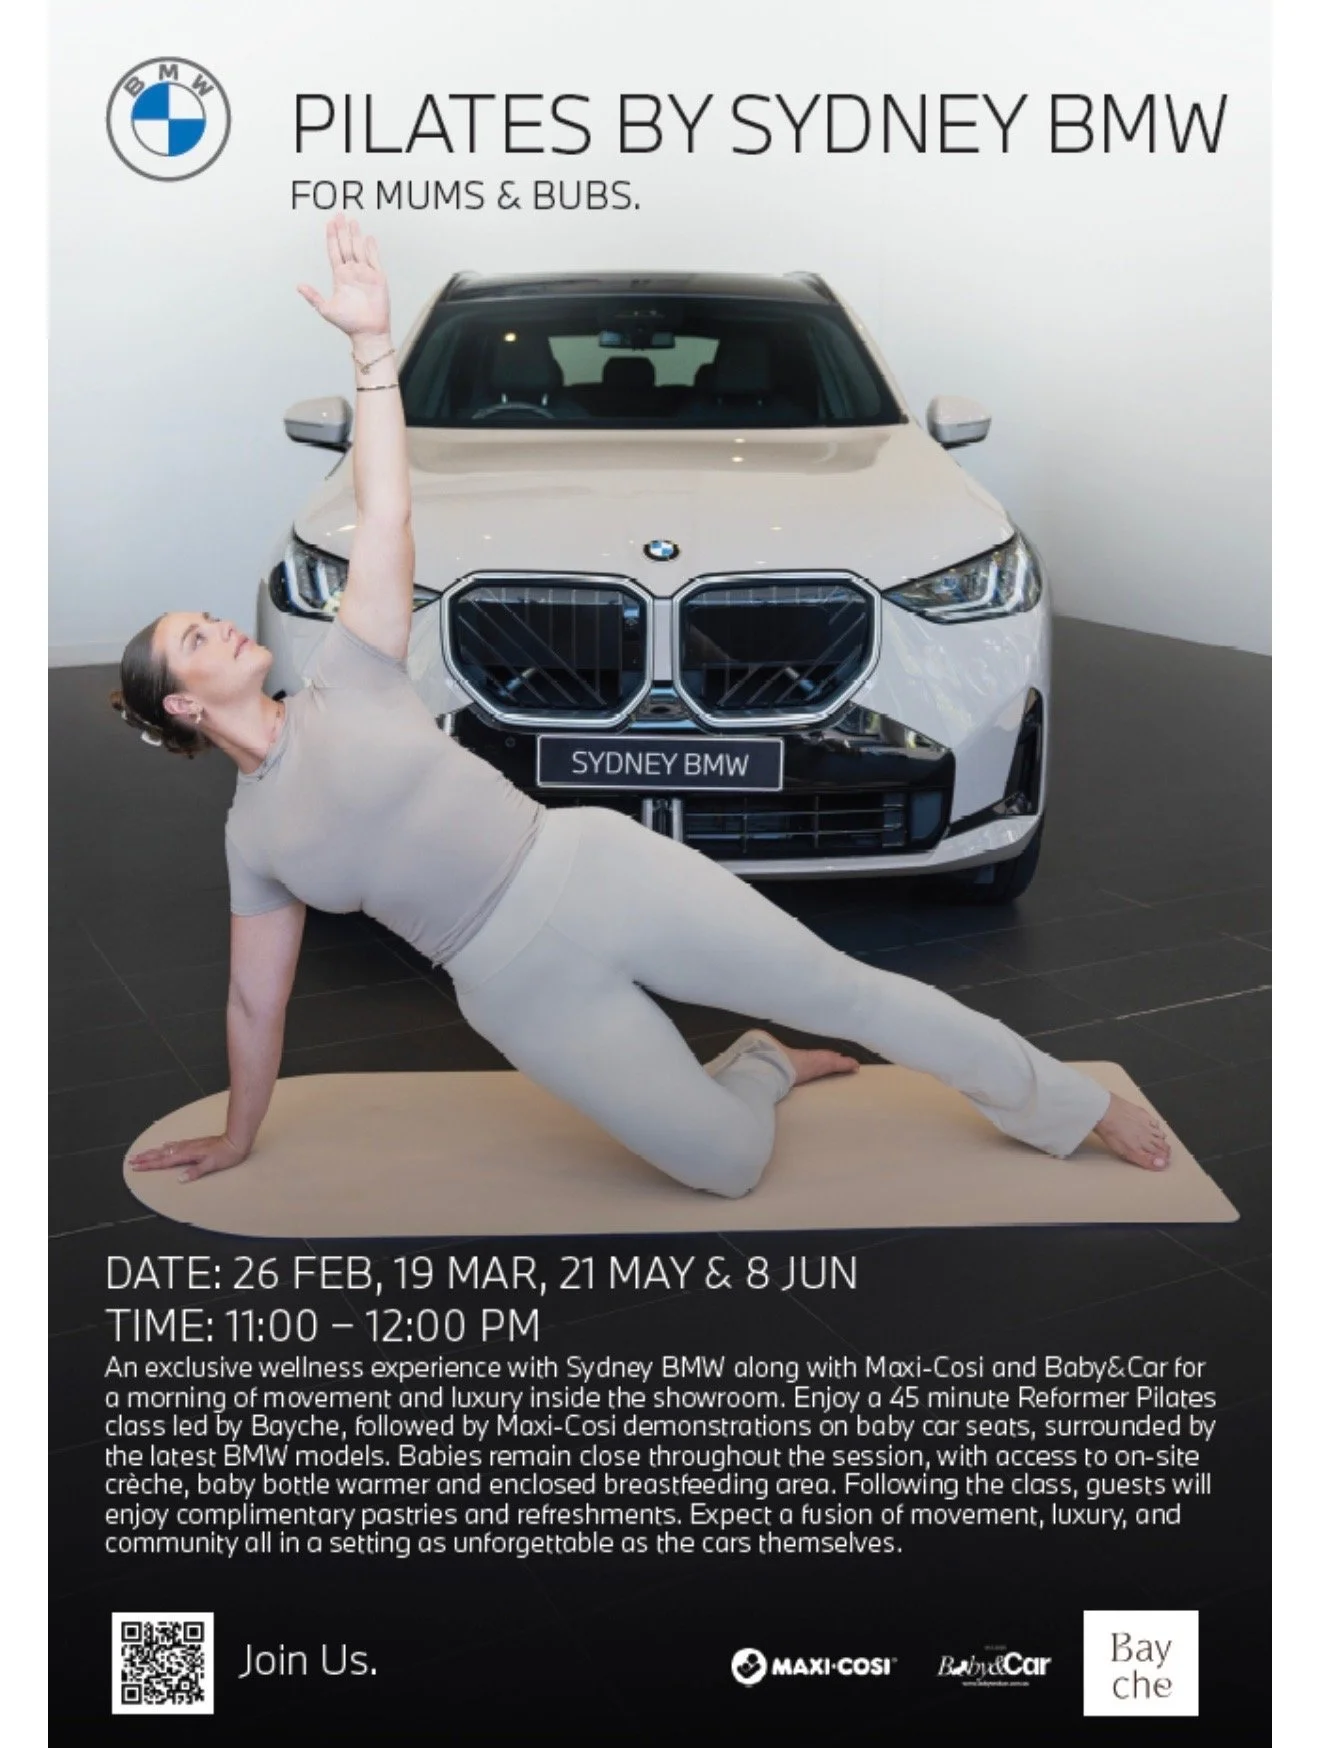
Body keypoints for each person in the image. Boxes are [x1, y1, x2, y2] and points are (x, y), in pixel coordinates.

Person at [123, 216, 1171, 1198]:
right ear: (183, 705)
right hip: (507, 985)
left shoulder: (349, 671)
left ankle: (1073, 1106)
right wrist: (239, 1134)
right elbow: (254, 1001)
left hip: (592, 868)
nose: (220, 625)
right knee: (726, 1165)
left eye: (210, 618)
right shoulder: (254, 838)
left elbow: (387, 506)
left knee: (847, 990)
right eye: (197, 639)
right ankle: (763, 1065)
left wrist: (371, 348)